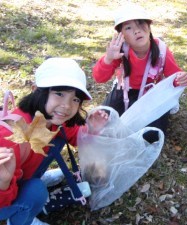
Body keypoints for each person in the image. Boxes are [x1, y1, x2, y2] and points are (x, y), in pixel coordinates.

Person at [0, 57, 109, 225]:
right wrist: (3, 182)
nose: (67, 106)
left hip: (19, 174)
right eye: (59, 93)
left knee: (57, 139)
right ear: (37, 90)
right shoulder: (9, 138)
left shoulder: (53, 119)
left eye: (75, 99)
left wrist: (92, 129)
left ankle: (33, 177)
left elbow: (75, 137)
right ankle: (21, 220)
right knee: (36, 192)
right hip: (3, 192)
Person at [92, 3, 187, 142]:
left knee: (151, 136)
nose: (137, 31)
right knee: (101, 124)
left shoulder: (161, 50)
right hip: (125, 90)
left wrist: (180, 78)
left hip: (151, 93)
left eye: (140, 24)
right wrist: (108, 59)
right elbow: (99, 77)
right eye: (128, 28)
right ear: (122, 35)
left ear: (149, 27)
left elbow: (174, 76)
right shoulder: (120, 51)